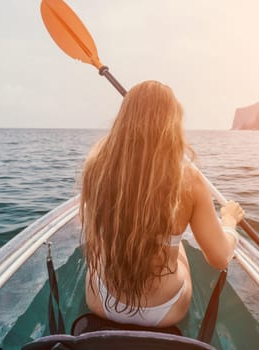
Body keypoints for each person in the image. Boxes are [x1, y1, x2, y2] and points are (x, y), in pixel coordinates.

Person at [80, 80, 245, 328]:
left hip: (102, 301)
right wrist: (229, 222)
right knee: (177, 248)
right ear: (173, 125)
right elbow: (220, 258)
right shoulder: (188, 179)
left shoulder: (97, 168)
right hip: (165, 310)